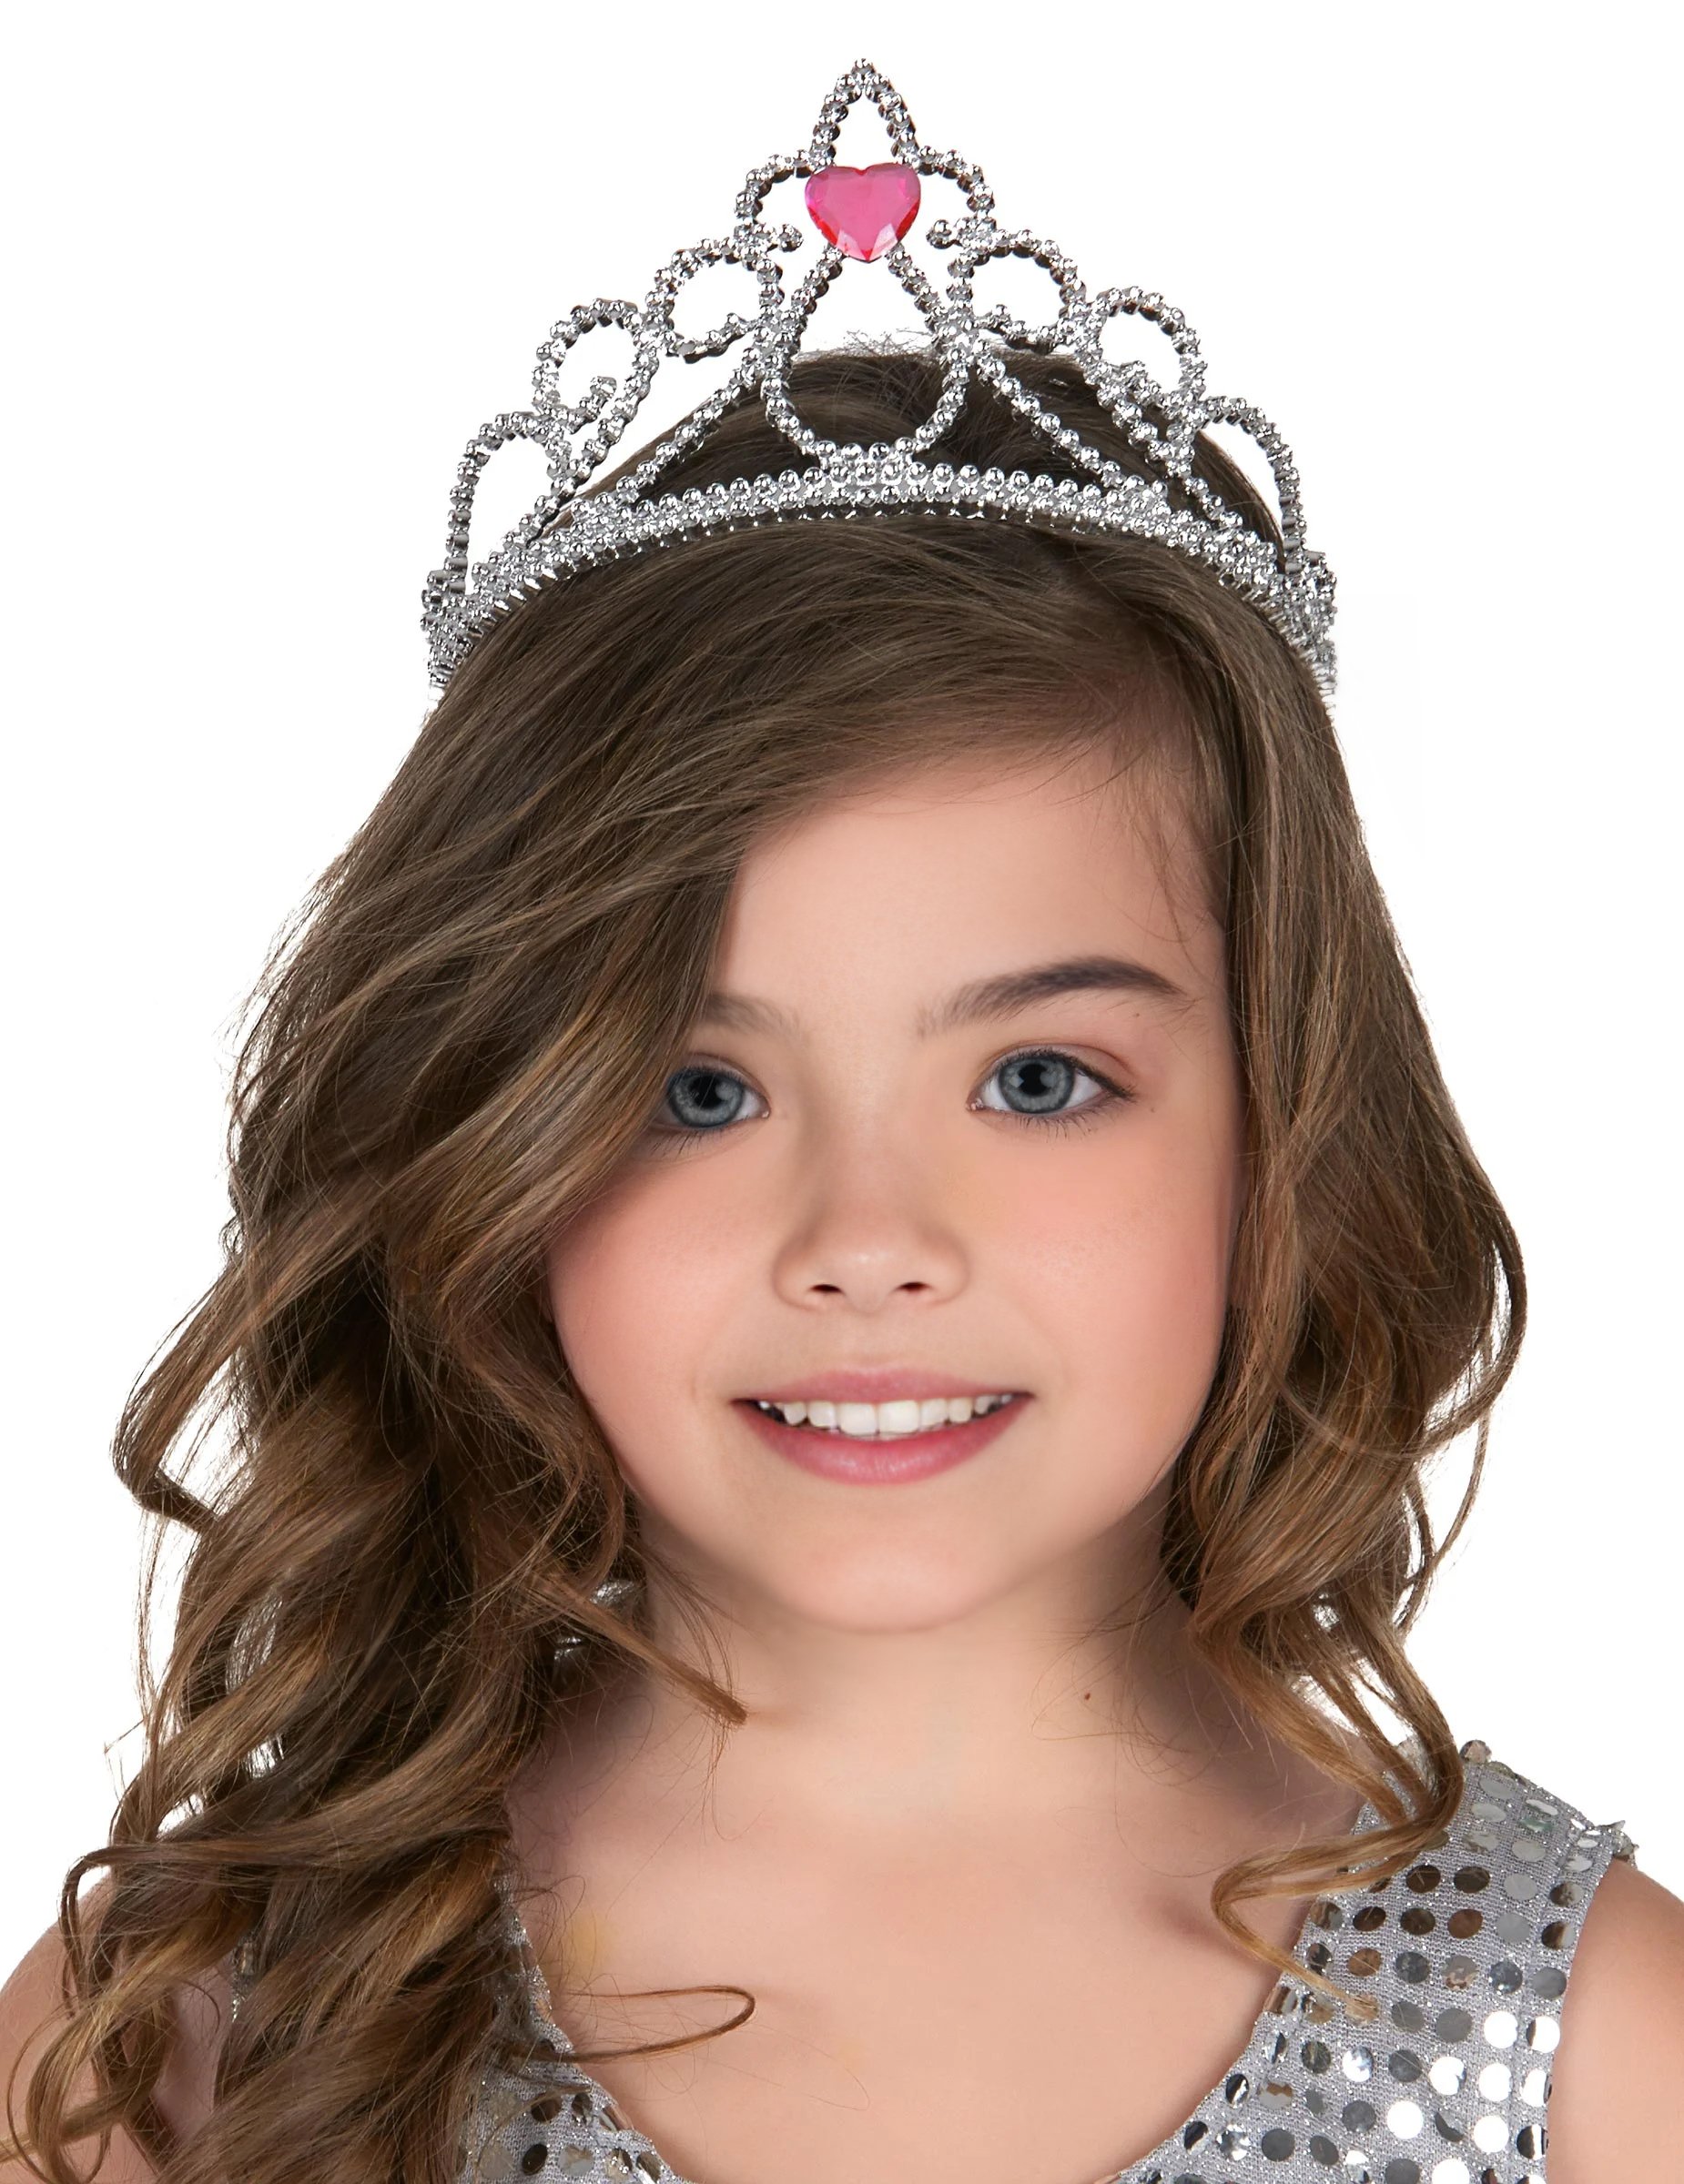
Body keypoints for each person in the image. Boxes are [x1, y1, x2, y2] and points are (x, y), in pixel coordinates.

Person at [3, 57, 1679, 2184]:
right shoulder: (192, 2031)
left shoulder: (1587, 2054)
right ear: (495, 1147)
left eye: (1038, 1081)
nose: (867, 1237)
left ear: (1285, 1125)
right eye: (696, 1091)